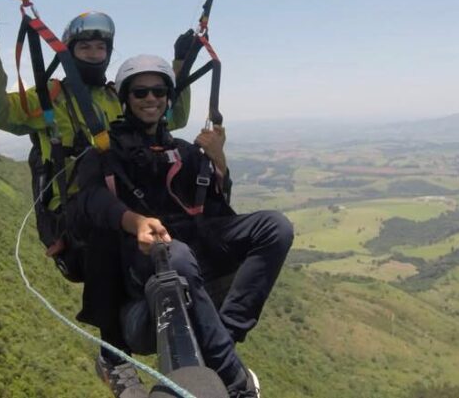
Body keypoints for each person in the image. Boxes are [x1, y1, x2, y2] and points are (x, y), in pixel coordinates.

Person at [0, 0, 193, 397]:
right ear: (71, 52)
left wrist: (181, 66)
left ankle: (200, 349)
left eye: (100, 48)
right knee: (108, 230)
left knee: (184, 225)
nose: (94, 54)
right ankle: (115, 359)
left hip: (122, 204)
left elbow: (171, 115)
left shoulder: (115, 97)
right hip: (76, 215)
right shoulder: (49, 98)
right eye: (85, 48)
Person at [72, 55, 294, 398]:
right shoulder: (106, 153)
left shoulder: (183, 151)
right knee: (177, 257)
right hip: (144, 255)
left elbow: (218, 207)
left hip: (194, 242)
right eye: (141, 92)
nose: (151, 99)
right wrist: (135, 223)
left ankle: (224, 335)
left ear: (168, 98)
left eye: (159, 92)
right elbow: (90, 202)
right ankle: (235, 380)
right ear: (126, 99)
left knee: (275, 228)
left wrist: (219, 160)